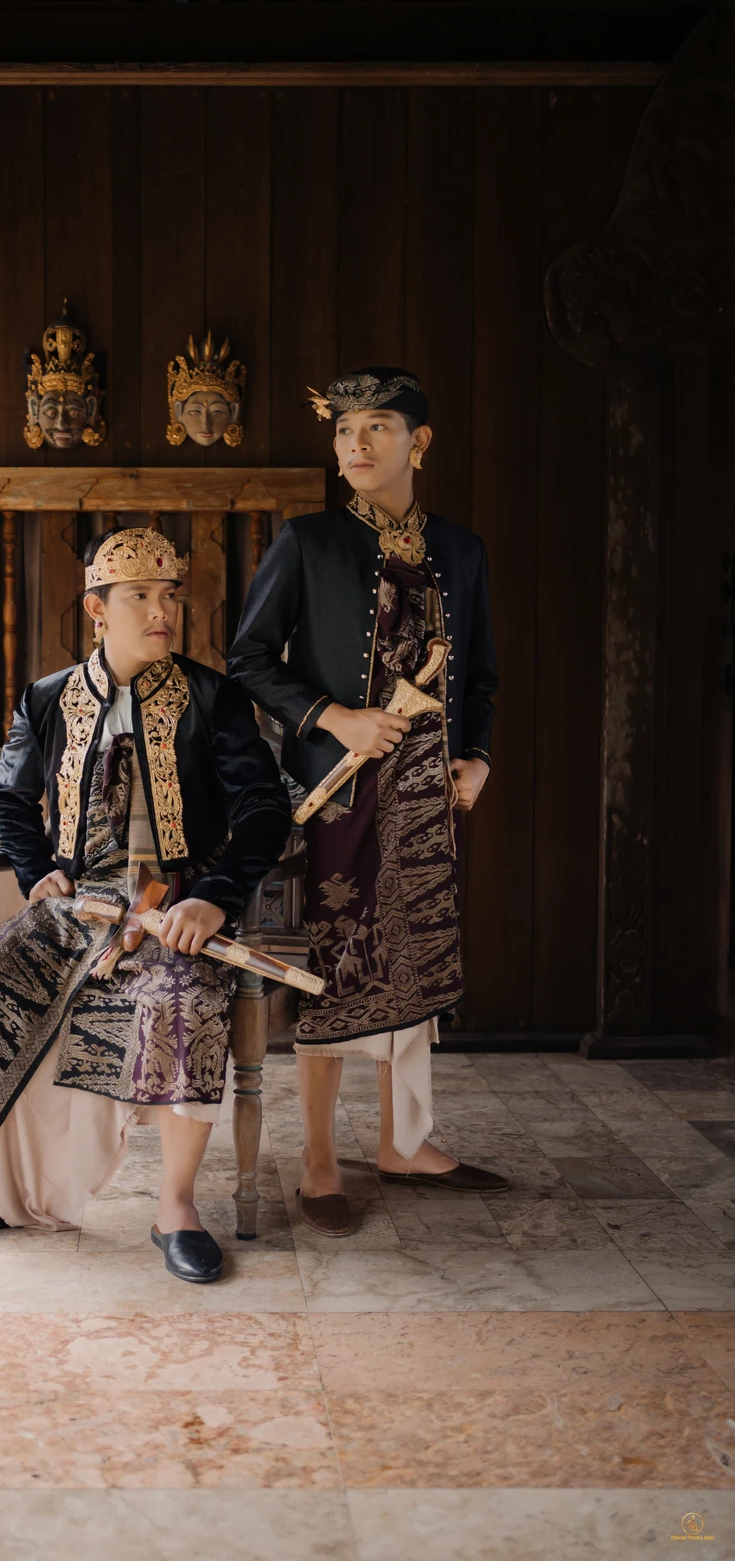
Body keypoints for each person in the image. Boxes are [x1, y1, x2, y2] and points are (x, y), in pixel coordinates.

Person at [0, 527, 291, 1281]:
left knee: (181, 1003)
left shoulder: (214, 697)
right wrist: (38, 870)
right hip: (78, 908)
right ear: (97, 609)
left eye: (170, 595)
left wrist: (213, 897)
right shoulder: (48, 698)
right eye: (140, 596)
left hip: (176, 907)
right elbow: (8, 797)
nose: (163, 611)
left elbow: (265, 810)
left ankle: (175, 1207)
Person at [227, 366, 506, 1237]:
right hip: (337, 793)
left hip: (427, 795)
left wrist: (476, 758)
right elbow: (247, 659)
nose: (355, 443)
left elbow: (481, 674)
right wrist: (332, 716)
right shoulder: (307, 541)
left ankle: (402, 1143)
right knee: (337, 969)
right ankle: (318, 1159)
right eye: (344, 429)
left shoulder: (460, 550)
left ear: (418, 442)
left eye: (377, 426)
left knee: (413, 959)